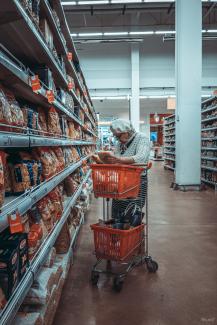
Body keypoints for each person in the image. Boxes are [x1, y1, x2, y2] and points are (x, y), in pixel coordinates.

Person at [107, 119, 151, 221]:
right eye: (115, 136)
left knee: (133, 209)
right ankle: (119, 231)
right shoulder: (119, 143)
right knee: (118, 209)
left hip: (137, 180)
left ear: (127, 132)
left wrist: (119, 160)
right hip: (121, 181)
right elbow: (117, 158)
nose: (117, 139)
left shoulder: (142, 138)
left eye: (118, 135)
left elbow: (141, 158)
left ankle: (132, 233)